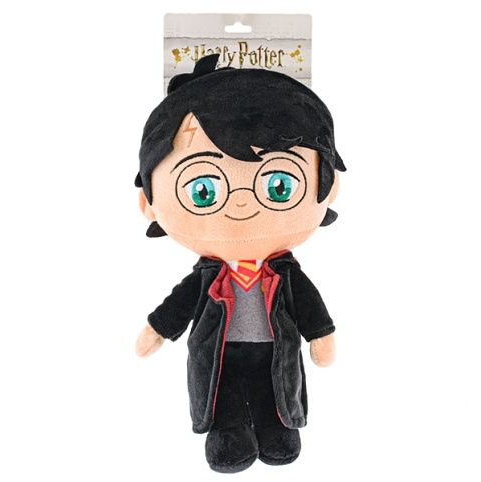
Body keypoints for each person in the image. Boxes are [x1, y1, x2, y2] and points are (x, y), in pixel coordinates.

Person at [134, 54, 345, 473]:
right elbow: (179, 304)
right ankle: (228, 434)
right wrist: (157, 329)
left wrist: (320, 334)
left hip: (275, 351)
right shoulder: (207, 276)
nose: (243, 204)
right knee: (222, 396)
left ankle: (277, 428)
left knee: (276, 391)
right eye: (204, 190)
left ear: (329, 188)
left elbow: (308, 306)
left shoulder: (286, 273)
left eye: (279, 185)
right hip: (219, 353)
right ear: (149, 204)